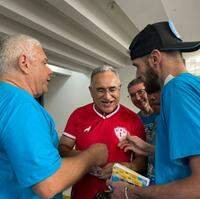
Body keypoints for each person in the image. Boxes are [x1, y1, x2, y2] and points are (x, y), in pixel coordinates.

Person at [0, 34, 108, 199]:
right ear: (24, 63)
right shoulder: (22, 106)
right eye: (44, 62)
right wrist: (92, 155)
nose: (49, 71)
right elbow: (48, 184)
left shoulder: (5, 99)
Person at [110, 21, 200, 198]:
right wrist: (150, 149)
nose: (137, 75)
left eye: (137, 66)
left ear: (155, 58)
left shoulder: (177, 89)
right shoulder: (191, 84)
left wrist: (131, 192)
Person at [59, 66, 146, 199]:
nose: (107, 96)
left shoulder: (133, 119)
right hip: (82, 194)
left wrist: (125, 167)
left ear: (119, 88)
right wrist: (86, 160)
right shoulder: (78, 115)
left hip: (120, 195)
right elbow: (63, 148)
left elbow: (142, 160)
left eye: (112, 89)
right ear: (91, 91)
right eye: (100, 90)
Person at [125, 80, 160, 184]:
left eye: (141, 92)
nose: (138, 98)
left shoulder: (164, 114)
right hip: (146, 179)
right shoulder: (134, 120)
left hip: (168, 176)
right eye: (132, 95)